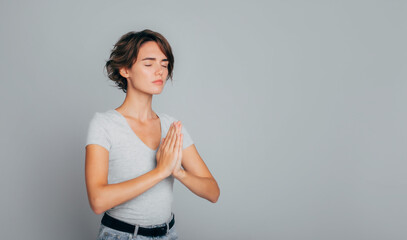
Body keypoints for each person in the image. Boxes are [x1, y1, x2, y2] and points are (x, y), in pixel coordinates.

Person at [85, 29, 220, 240]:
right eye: (149, 64)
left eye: (164, 65)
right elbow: (98, 201)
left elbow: (213, 192)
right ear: (125, 70)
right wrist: (160, 172)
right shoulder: (104, 124)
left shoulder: (172, 127)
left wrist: (178, 172)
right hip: (122, 235)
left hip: (168, 234)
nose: (160, 71)